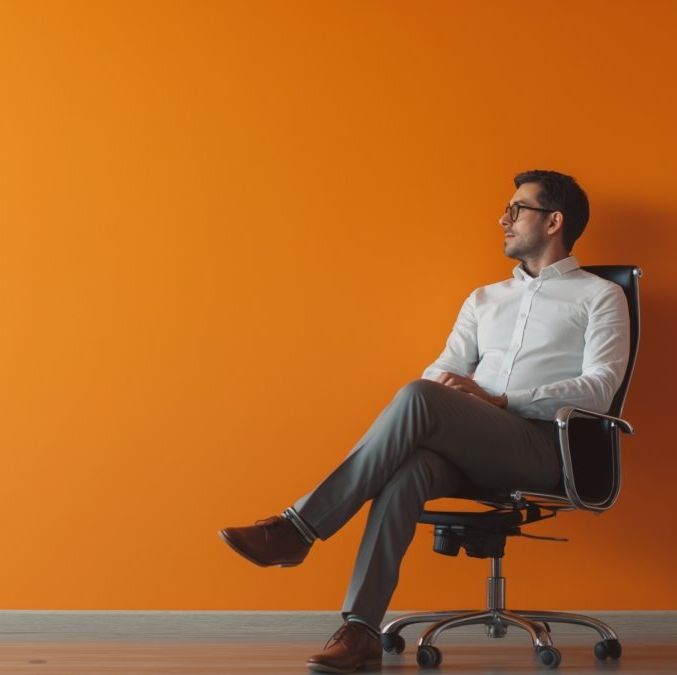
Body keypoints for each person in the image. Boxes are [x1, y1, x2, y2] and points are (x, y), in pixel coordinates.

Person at [219, 170, 630, 673]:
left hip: (546, 448)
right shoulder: (484, 299)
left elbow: (599, 388)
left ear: (554, 221)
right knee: (409, 463)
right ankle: (362, 629)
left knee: (418, 397)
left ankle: (299, 529)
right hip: (476, 445)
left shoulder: (600, 296)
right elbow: (441, 370)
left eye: (517, 208)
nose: (503, 218)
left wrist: (500, 399)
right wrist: (458, 393)